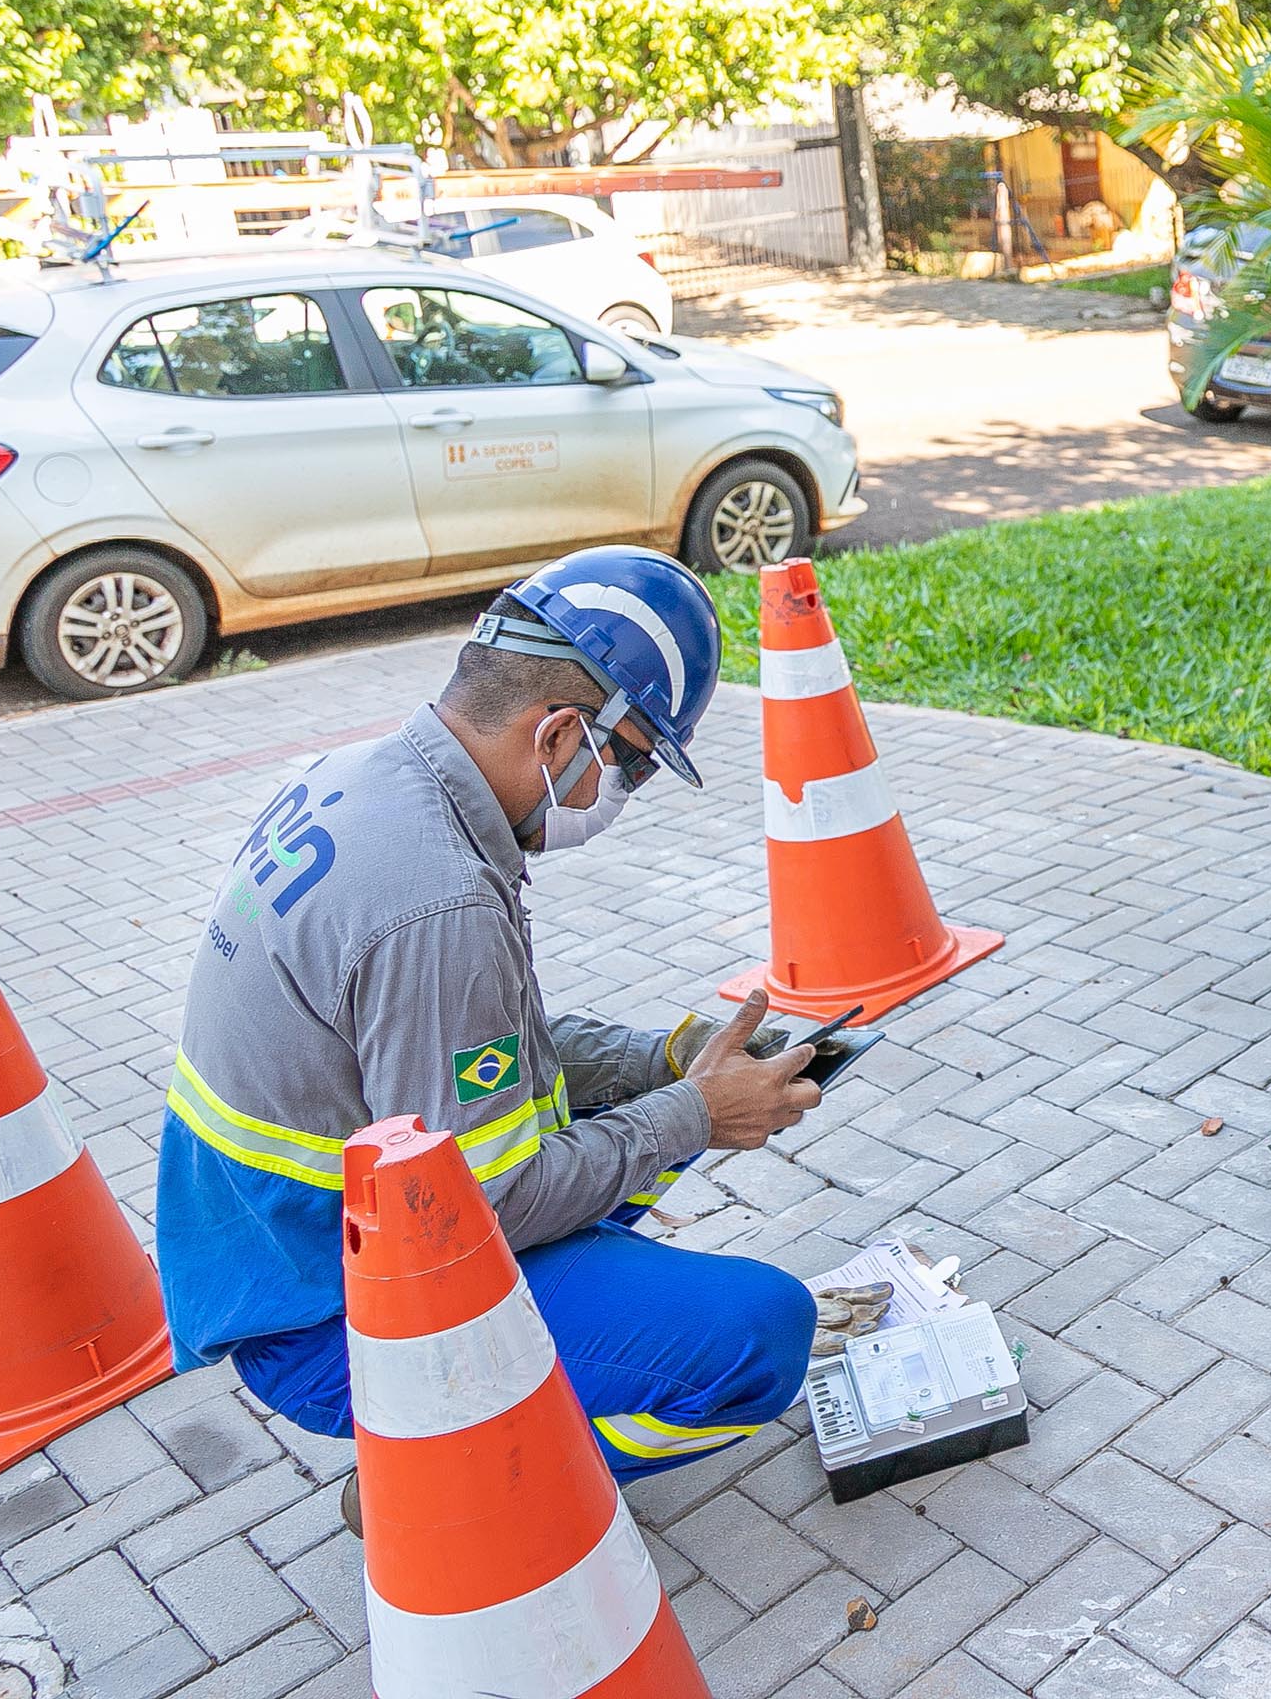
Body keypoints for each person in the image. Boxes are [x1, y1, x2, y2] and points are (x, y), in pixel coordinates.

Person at [154, 544, 822, 1517]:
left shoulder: (375, 782)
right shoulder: (439, 900)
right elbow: (493, 1200)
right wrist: (693, 1112)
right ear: (558, 735)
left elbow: (449, 1043)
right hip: (329, 1316)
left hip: (280, 1248)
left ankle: (508, 1388)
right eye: (629, 761)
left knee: (661, 1109)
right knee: (764, 1333)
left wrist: (659, 1064)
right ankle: (442, 1482)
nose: (621, 795)